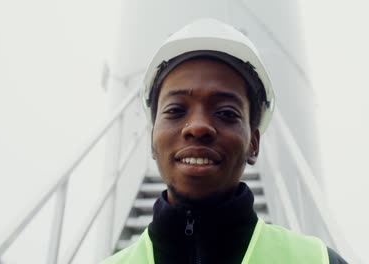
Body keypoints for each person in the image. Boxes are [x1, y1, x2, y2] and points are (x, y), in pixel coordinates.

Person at [102, 18, 348, 264]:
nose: (198, 127)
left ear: (253, 143)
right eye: (176, 110)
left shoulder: (318, 260)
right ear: (152, 138)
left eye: (226, 113)